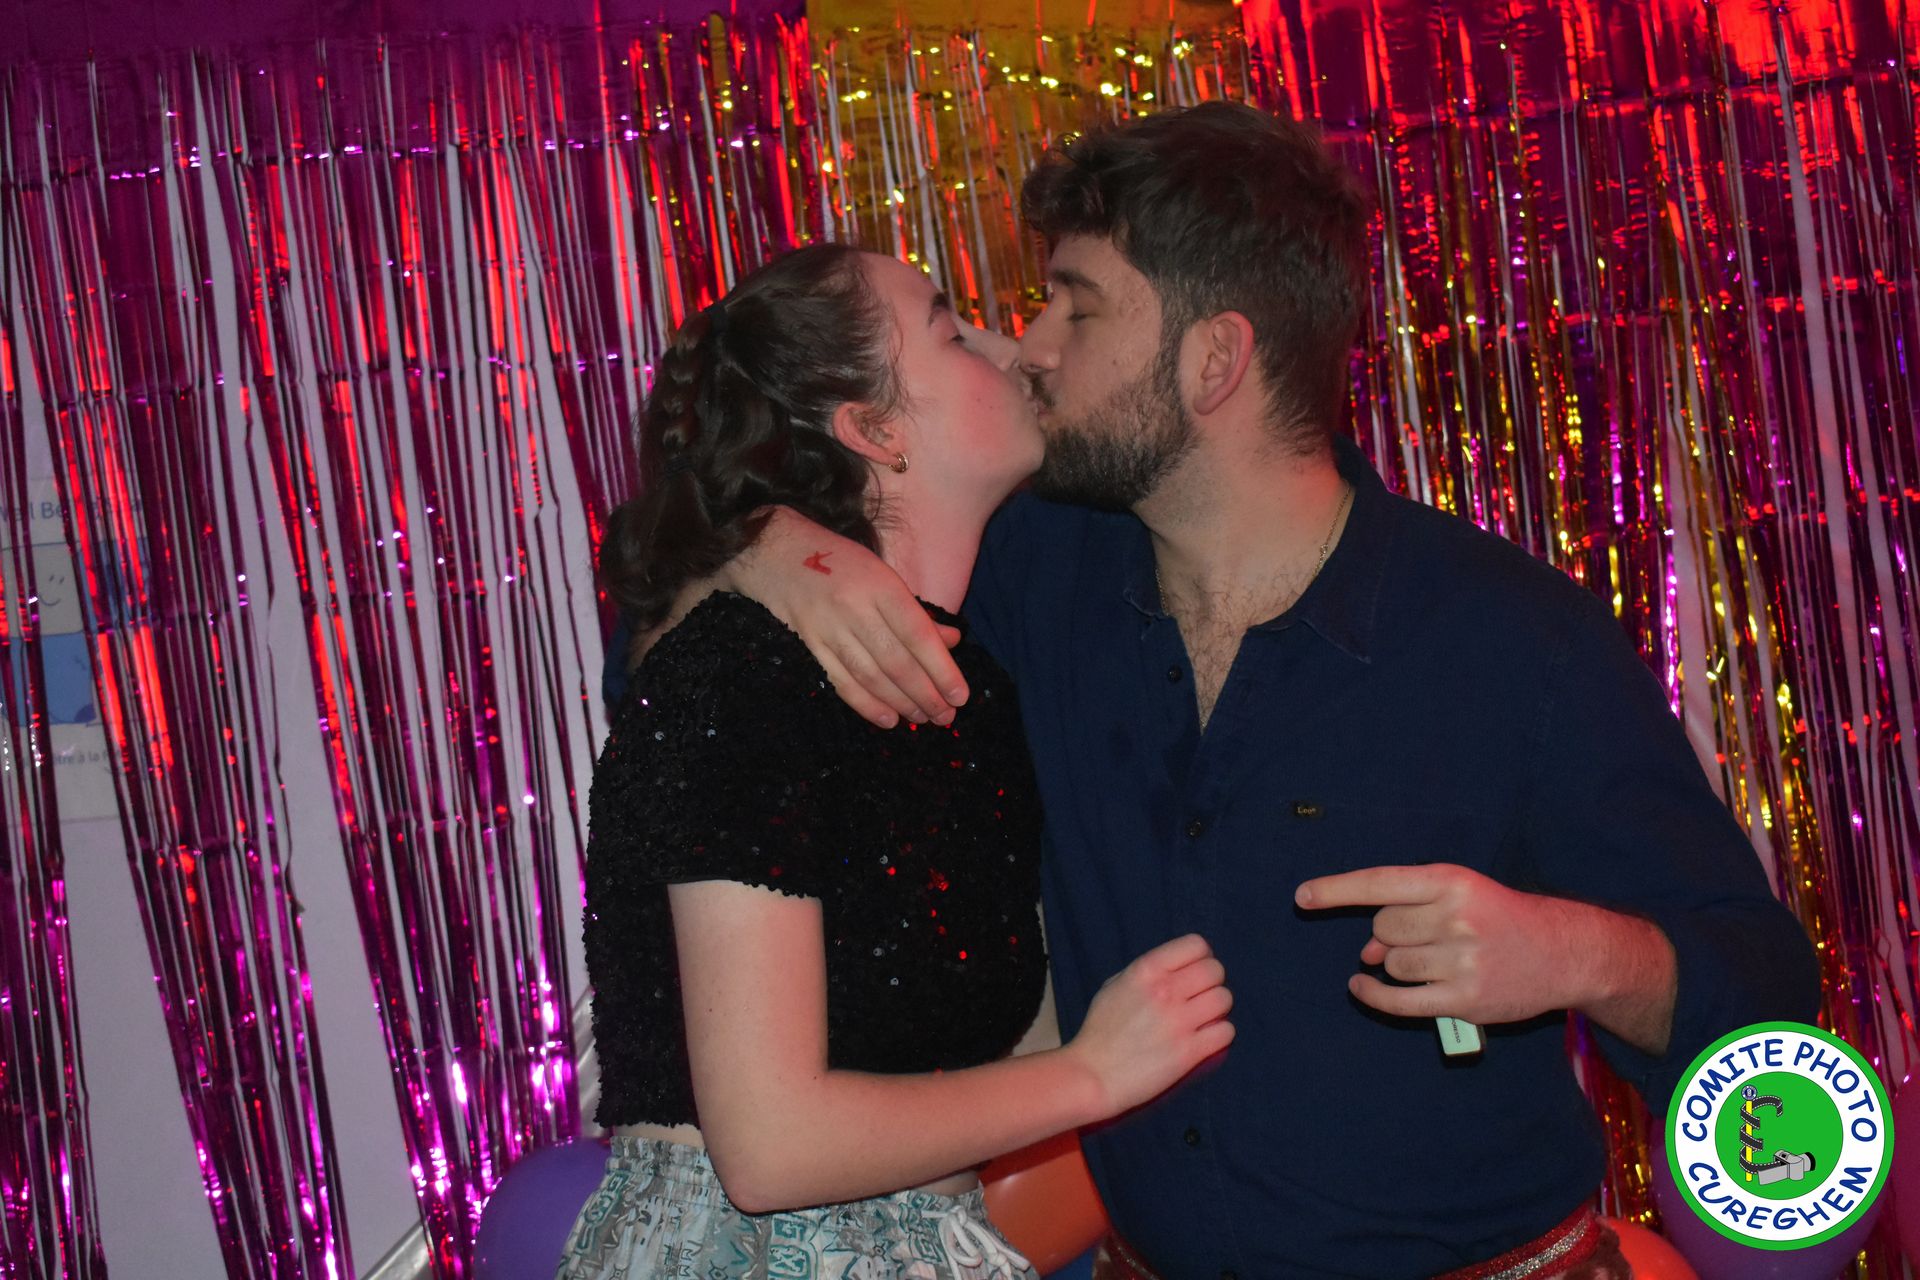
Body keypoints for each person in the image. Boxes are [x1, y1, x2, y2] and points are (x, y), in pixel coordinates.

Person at [661, 105, 1825, 1277]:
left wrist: (1574, 953)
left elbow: (1765, 1000)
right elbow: (668, 639)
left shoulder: (1514, 639)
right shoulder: (1030, 573)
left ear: (1214, 360)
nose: (1031, 346)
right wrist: (777, 551)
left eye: (1077, 305)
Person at [562, 242, 1235, 1280]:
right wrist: (1095, 1072)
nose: (1013, 349)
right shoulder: (741, 664)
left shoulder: (977, 688)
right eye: (952, 330)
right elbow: (771, 1148)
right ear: (873, 430)